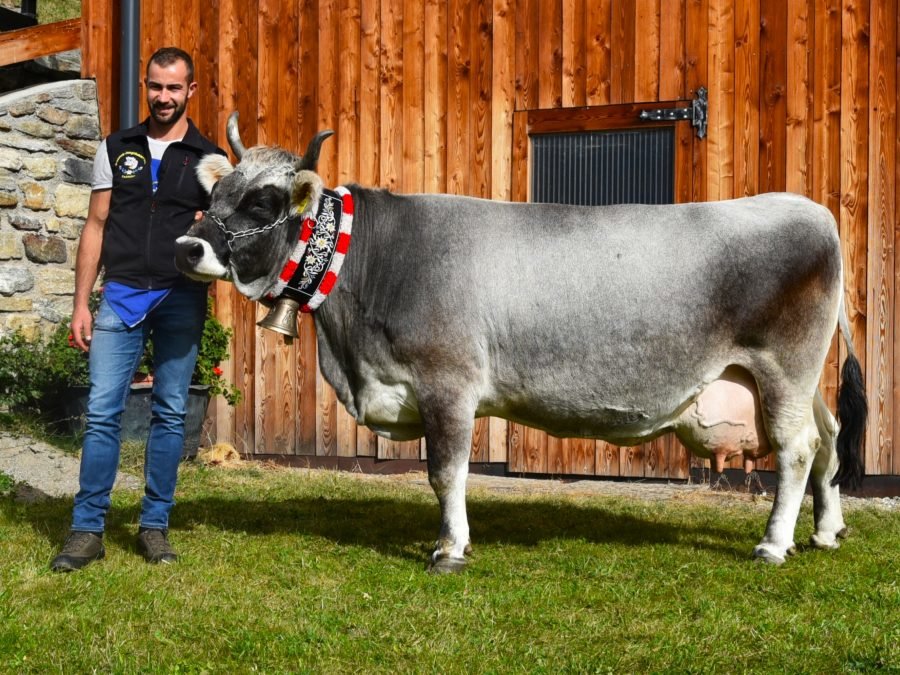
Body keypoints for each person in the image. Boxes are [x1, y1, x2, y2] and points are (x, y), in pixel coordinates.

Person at [51, 47, 226, 572]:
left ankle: (154, 527)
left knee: (171, 414)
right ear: (145, 86)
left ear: (191, 91)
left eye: (174, 88)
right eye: (156, 86)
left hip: (179, 296)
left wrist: (208, 222)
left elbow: (226, 233)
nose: (164, 97)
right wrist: (81, 302)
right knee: (102, 413)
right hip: (122, 294)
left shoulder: (211, 158)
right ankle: (86, 531)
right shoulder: (117, 146)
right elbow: (96, 225)